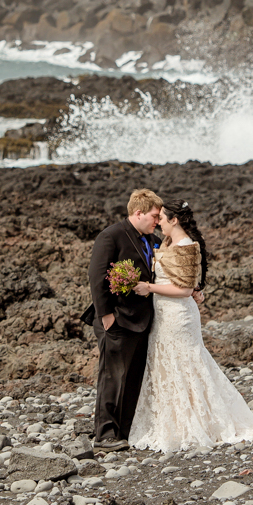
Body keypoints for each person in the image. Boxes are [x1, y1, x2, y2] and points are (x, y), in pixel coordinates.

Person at [127, 200, 253, 452]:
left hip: (178, 316)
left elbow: (183, 289)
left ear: (174, 220)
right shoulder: (167, 242)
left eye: (161, 217)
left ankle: (198, 422)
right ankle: (174, 422)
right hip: (162, 314)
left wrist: (149, 287)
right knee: (166, 363)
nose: (158, 222)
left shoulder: (185, 245)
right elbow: (182, 278)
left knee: (186, 363)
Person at [85, 188, 164, 451]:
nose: (157, 221)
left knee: (133, 379)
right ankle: (104, 435)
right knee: (112, 377)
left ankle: (124, 432)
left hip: (143, 320)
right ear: (138, 213)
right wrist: (106, 315)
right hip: (117, 319)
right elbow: (97, 277)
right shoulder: (111, 236)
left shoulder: (152, 240)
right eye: (154, 216)